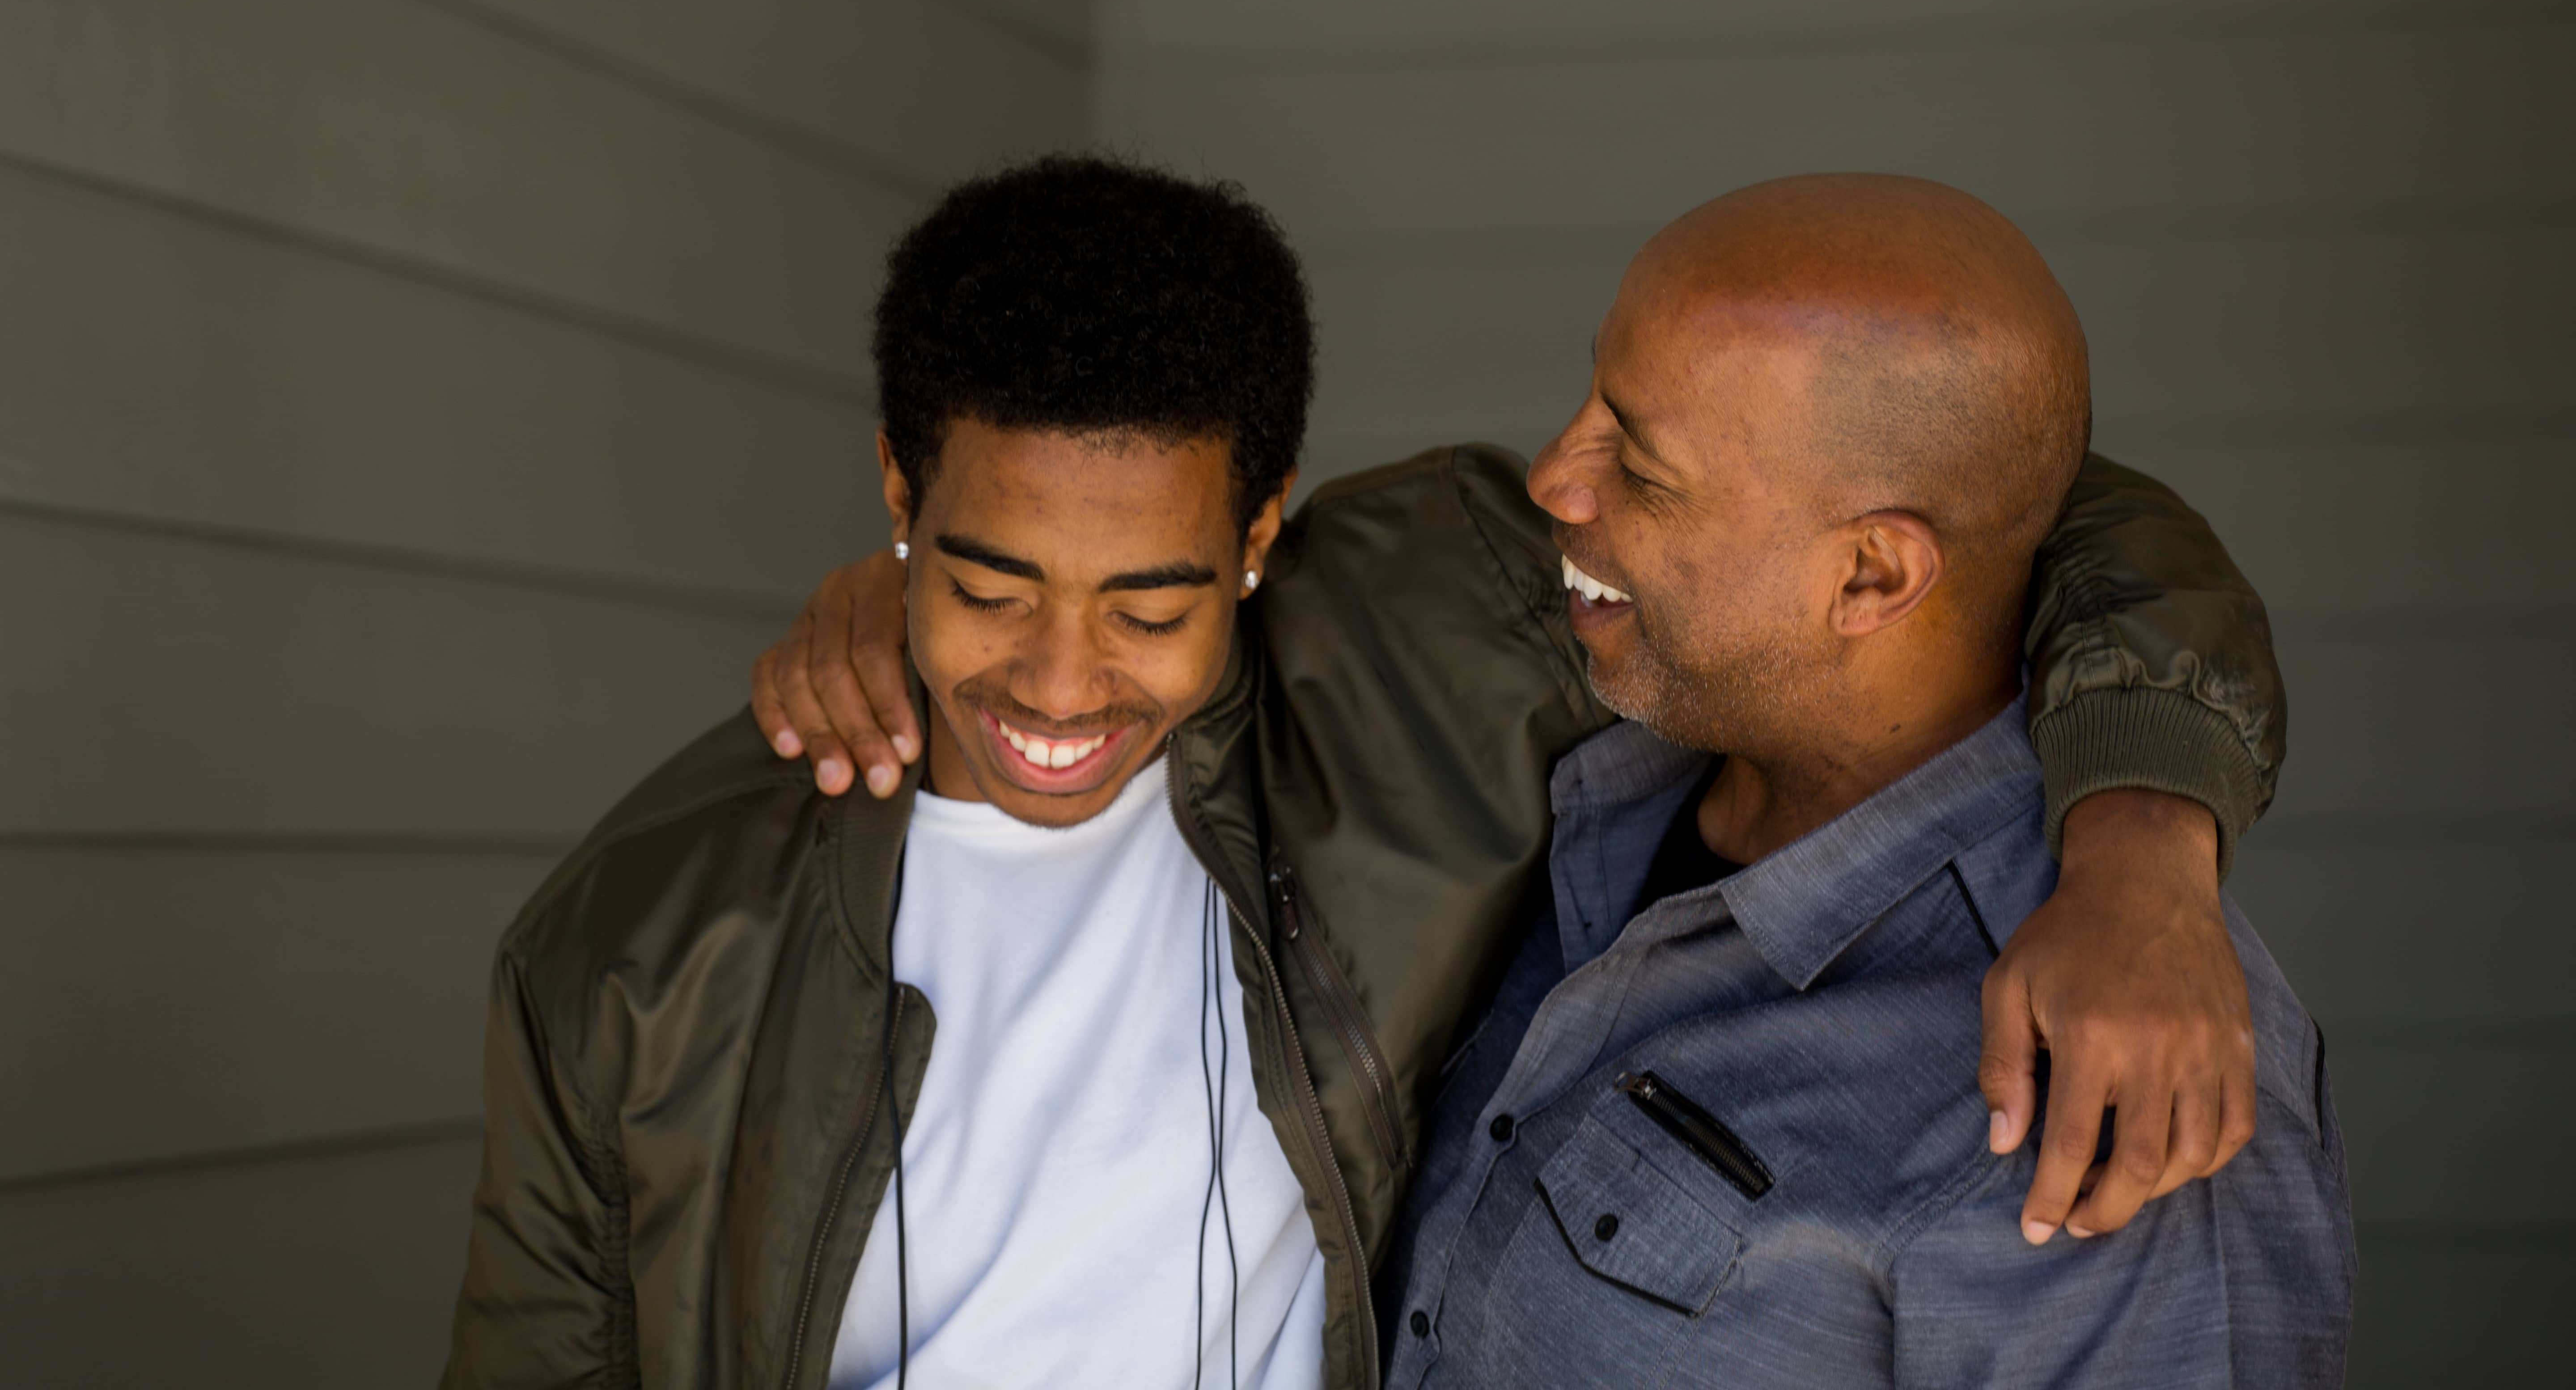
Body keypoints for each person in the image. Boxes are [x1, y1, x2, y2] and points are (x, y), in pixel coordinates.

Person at [446, 157, 2287, 1390]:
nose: (1062, 675)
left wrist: (2139, 836)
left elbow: (2020, 506)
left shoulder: (1425, 644)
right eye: (990, 576)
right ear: (896, 500)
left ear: (1264, 532)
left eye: (1150, 596)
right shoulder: (640, 939)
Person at [1369, 174, 2353, 1383]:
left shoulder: (2112, 1082)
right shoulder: (1585, 761)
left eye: (1639, 459)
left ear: (1874, 576)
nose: (1554, 480)